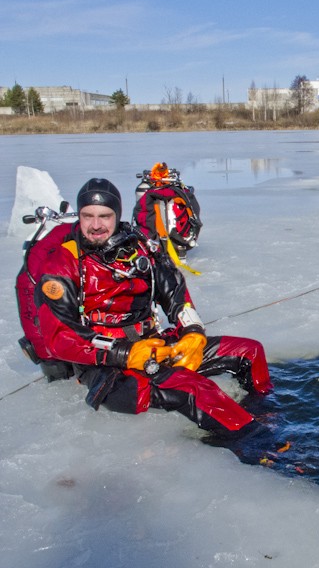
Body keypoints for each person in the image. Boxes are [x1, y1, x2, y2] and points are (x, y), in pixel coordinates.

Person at [27, 177, 272, 435]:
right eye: (88, 216)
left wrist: (193, 333)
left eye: (105, 216)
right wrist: (125, 354)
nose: (96, 225)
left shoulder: (139, 246)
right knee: (195, 389)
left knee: (250, 352)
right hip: (110, 368)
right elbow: (61, 336)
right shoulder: (62, 264)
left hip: (156, 345)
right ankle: (260, 445)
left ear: (117, 215)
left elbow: (174, 292)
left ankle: (265, 414)